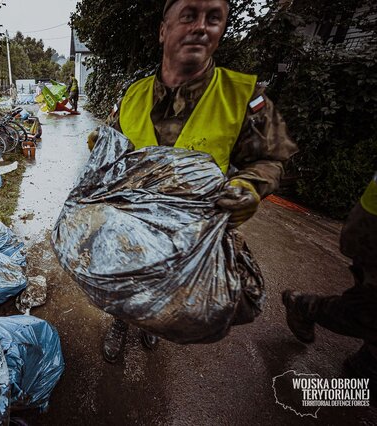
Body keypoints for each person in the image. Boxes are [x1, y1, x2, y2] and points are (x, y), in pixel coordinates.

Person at [100, 0, 298, 363]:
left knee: (163, 287)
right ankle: (120, 322)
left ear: (221, 33)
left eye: (214, 18)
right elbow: (111, 154)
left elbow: (272, 159)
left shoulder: (244, 96)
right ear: (164, 30)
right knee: (123, 279)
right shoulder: (133, 94)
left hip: (189, 235)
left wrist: (251, 188)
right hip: (132, 226)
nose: (201, 26)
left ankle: (149, 323)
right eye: (189, 15)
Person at [282, 173, 377, 386]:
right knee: (370, 309)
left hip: (370, 219)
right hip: (372, 223)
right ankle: (305, 306)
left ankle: (370, 359)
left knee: (370, 306)